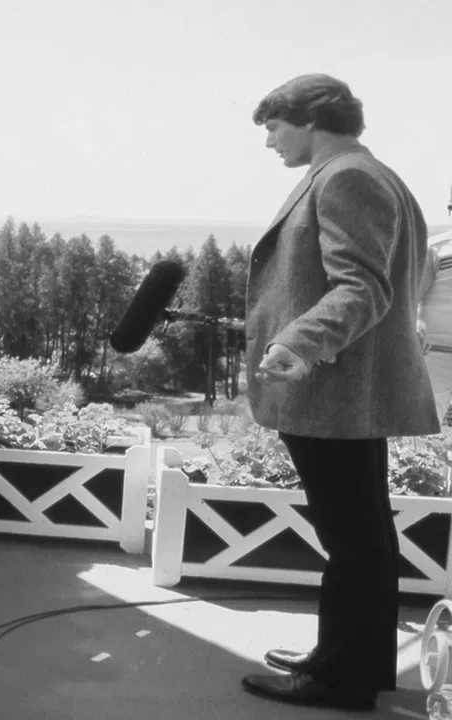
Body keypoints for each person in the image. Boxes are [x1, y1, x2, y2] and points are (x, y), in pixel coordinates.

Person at [239, 74, 439, 711]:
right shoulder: (374, 175)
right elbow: (404, 278)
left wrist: (298, 342)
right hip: (347, 390)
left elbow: (363, 286)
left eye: (274, 126)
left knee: (352, 540)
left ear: (311, 119)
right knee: (362, 534)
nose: (269, 141)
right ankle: (342, 659)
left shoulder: (347, 177)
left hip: (333, 391)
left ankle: (343, 681)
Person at [418, 190, 452, 422]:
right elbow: (410, 298)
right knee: (423, 427)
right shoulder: (437, 248)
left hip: (434, 355)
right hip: (435, 355)